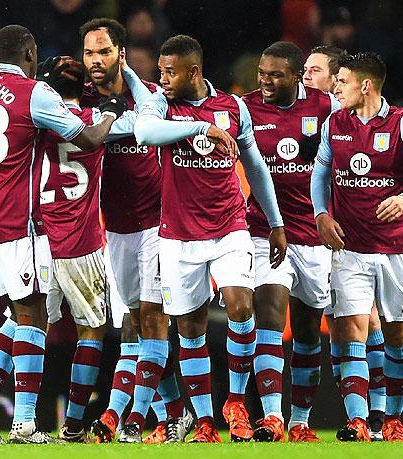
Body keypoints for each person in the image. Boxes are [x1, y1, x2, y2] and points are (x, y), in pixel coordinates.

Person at [0, 24, 125, 445]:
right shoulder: (36, 95)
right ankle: (25, 423)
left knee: (18, 314)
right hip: (20, 221)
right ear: (29, 52)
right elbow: (86, 136)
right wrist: (110, 112)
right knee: (33, 316)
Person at [130, 34, 286, 443]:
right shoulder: (161, 104)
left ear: (193, 72)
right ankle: (203, 421)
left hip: (229, 227)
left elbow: (255, 166)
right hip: (178, 235)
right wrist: (201, 127)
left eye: (170, 72)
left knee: (240, 304)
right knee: (191, 328)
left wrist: (275, 222)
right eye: (160, 71)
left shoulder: (234, 108)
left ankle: (235, 402)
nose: (162, 79)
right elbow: (144, 133)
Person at [310, 52, 403, 442]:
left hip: (396, 247)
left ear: (365, 85)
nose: (335, 87)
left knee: (397, 335)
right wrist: (321, 215)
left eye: (342, 81)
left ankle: (393, 419)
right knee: (349, 331)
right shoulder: (335, 123)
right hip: (349, 247)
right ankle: (359, 420)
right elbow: (319, 174)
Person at [79, 19, 189, 444]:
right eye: (89, 52)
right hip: (115, 229)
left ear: (120, 54)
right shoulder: (80, 100)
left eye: (104, 52)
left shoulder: (150, 98)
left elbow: (145, 128)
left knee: (146, 320)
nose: (95, 61)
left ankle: (123, 419)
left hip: (156, 226)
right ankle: (176, 415)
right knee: (135, 324)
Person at [37, 56, 149, 442]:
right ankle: (72, 425)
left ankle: (12, 414)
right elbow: (133, 125)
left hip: (39, 237)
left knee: (27, 324)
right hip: (82, 239)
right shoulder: (94, 120)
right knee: (92, 331)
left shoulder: (36, 122)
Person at [241, 41, 339, 443]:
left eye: (275, 75)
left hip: (313, 237)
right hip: (264, 229)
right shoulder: (245, 107)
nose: (265, 81)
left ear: (297, 75)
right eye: (262, 73)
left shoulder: (325, 107)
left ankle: (300, 421)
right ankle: (272, 417)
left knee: (307, 332)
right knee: (270, 313)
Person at [304, 44, 388, 440]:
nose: (309, 77)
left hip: (346, 238)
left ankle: (374, 414)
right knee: (340, 328)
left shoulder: (345, 114)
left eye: (318, 71)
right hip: (315, 232)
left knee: (361, 320)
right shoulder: (315, 115)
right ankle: (358, 413)